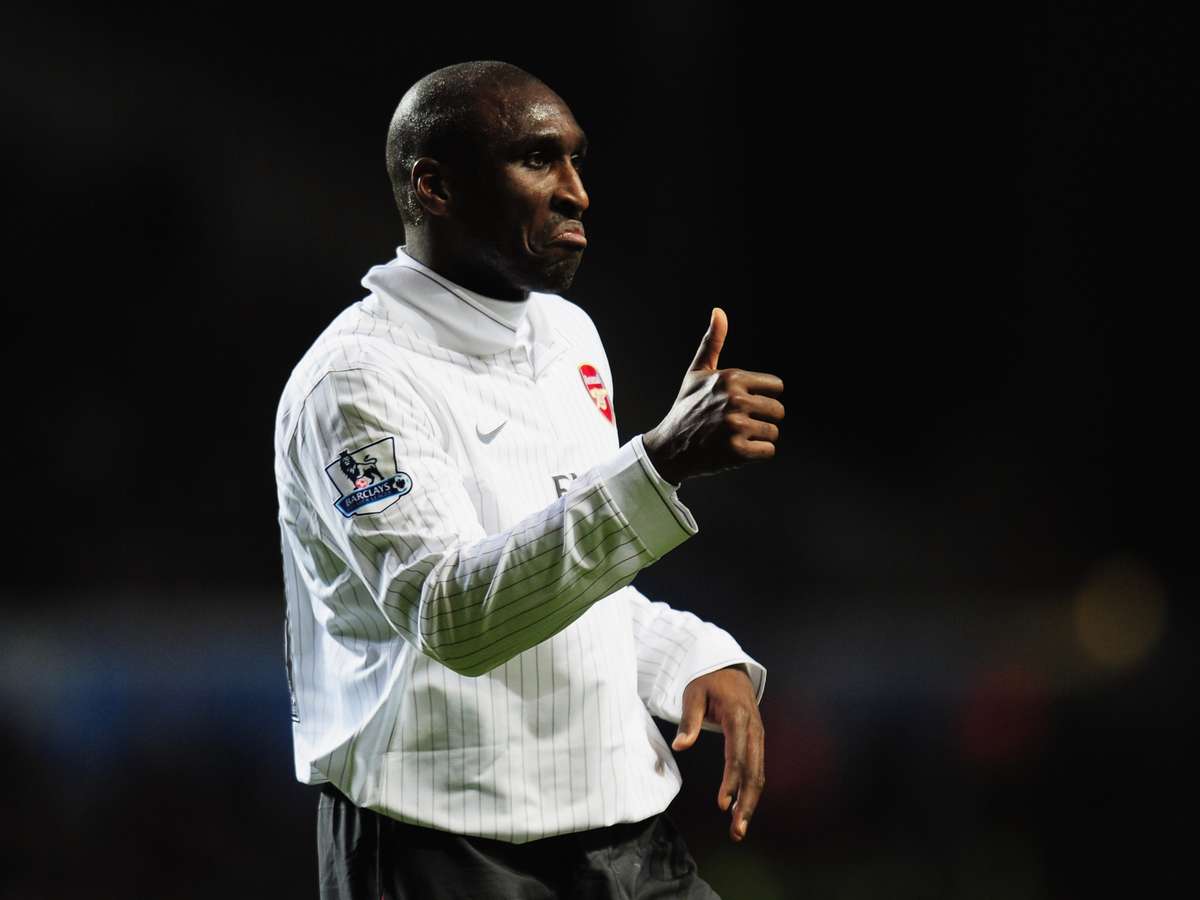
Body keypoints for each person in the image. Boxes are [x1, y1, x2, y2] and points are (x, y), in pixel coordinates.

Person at [273, 60, 786, 899]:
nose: (576, 192)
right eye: (538, 159)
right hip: (443, 847)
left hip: (623, 832)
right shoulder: (356, 380)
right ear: (434, 187)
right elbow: (453, 617)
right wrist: (658, 463)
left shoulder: (570, 337)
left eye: (576, 160)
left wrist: (687, 656)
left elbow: (562, 580)